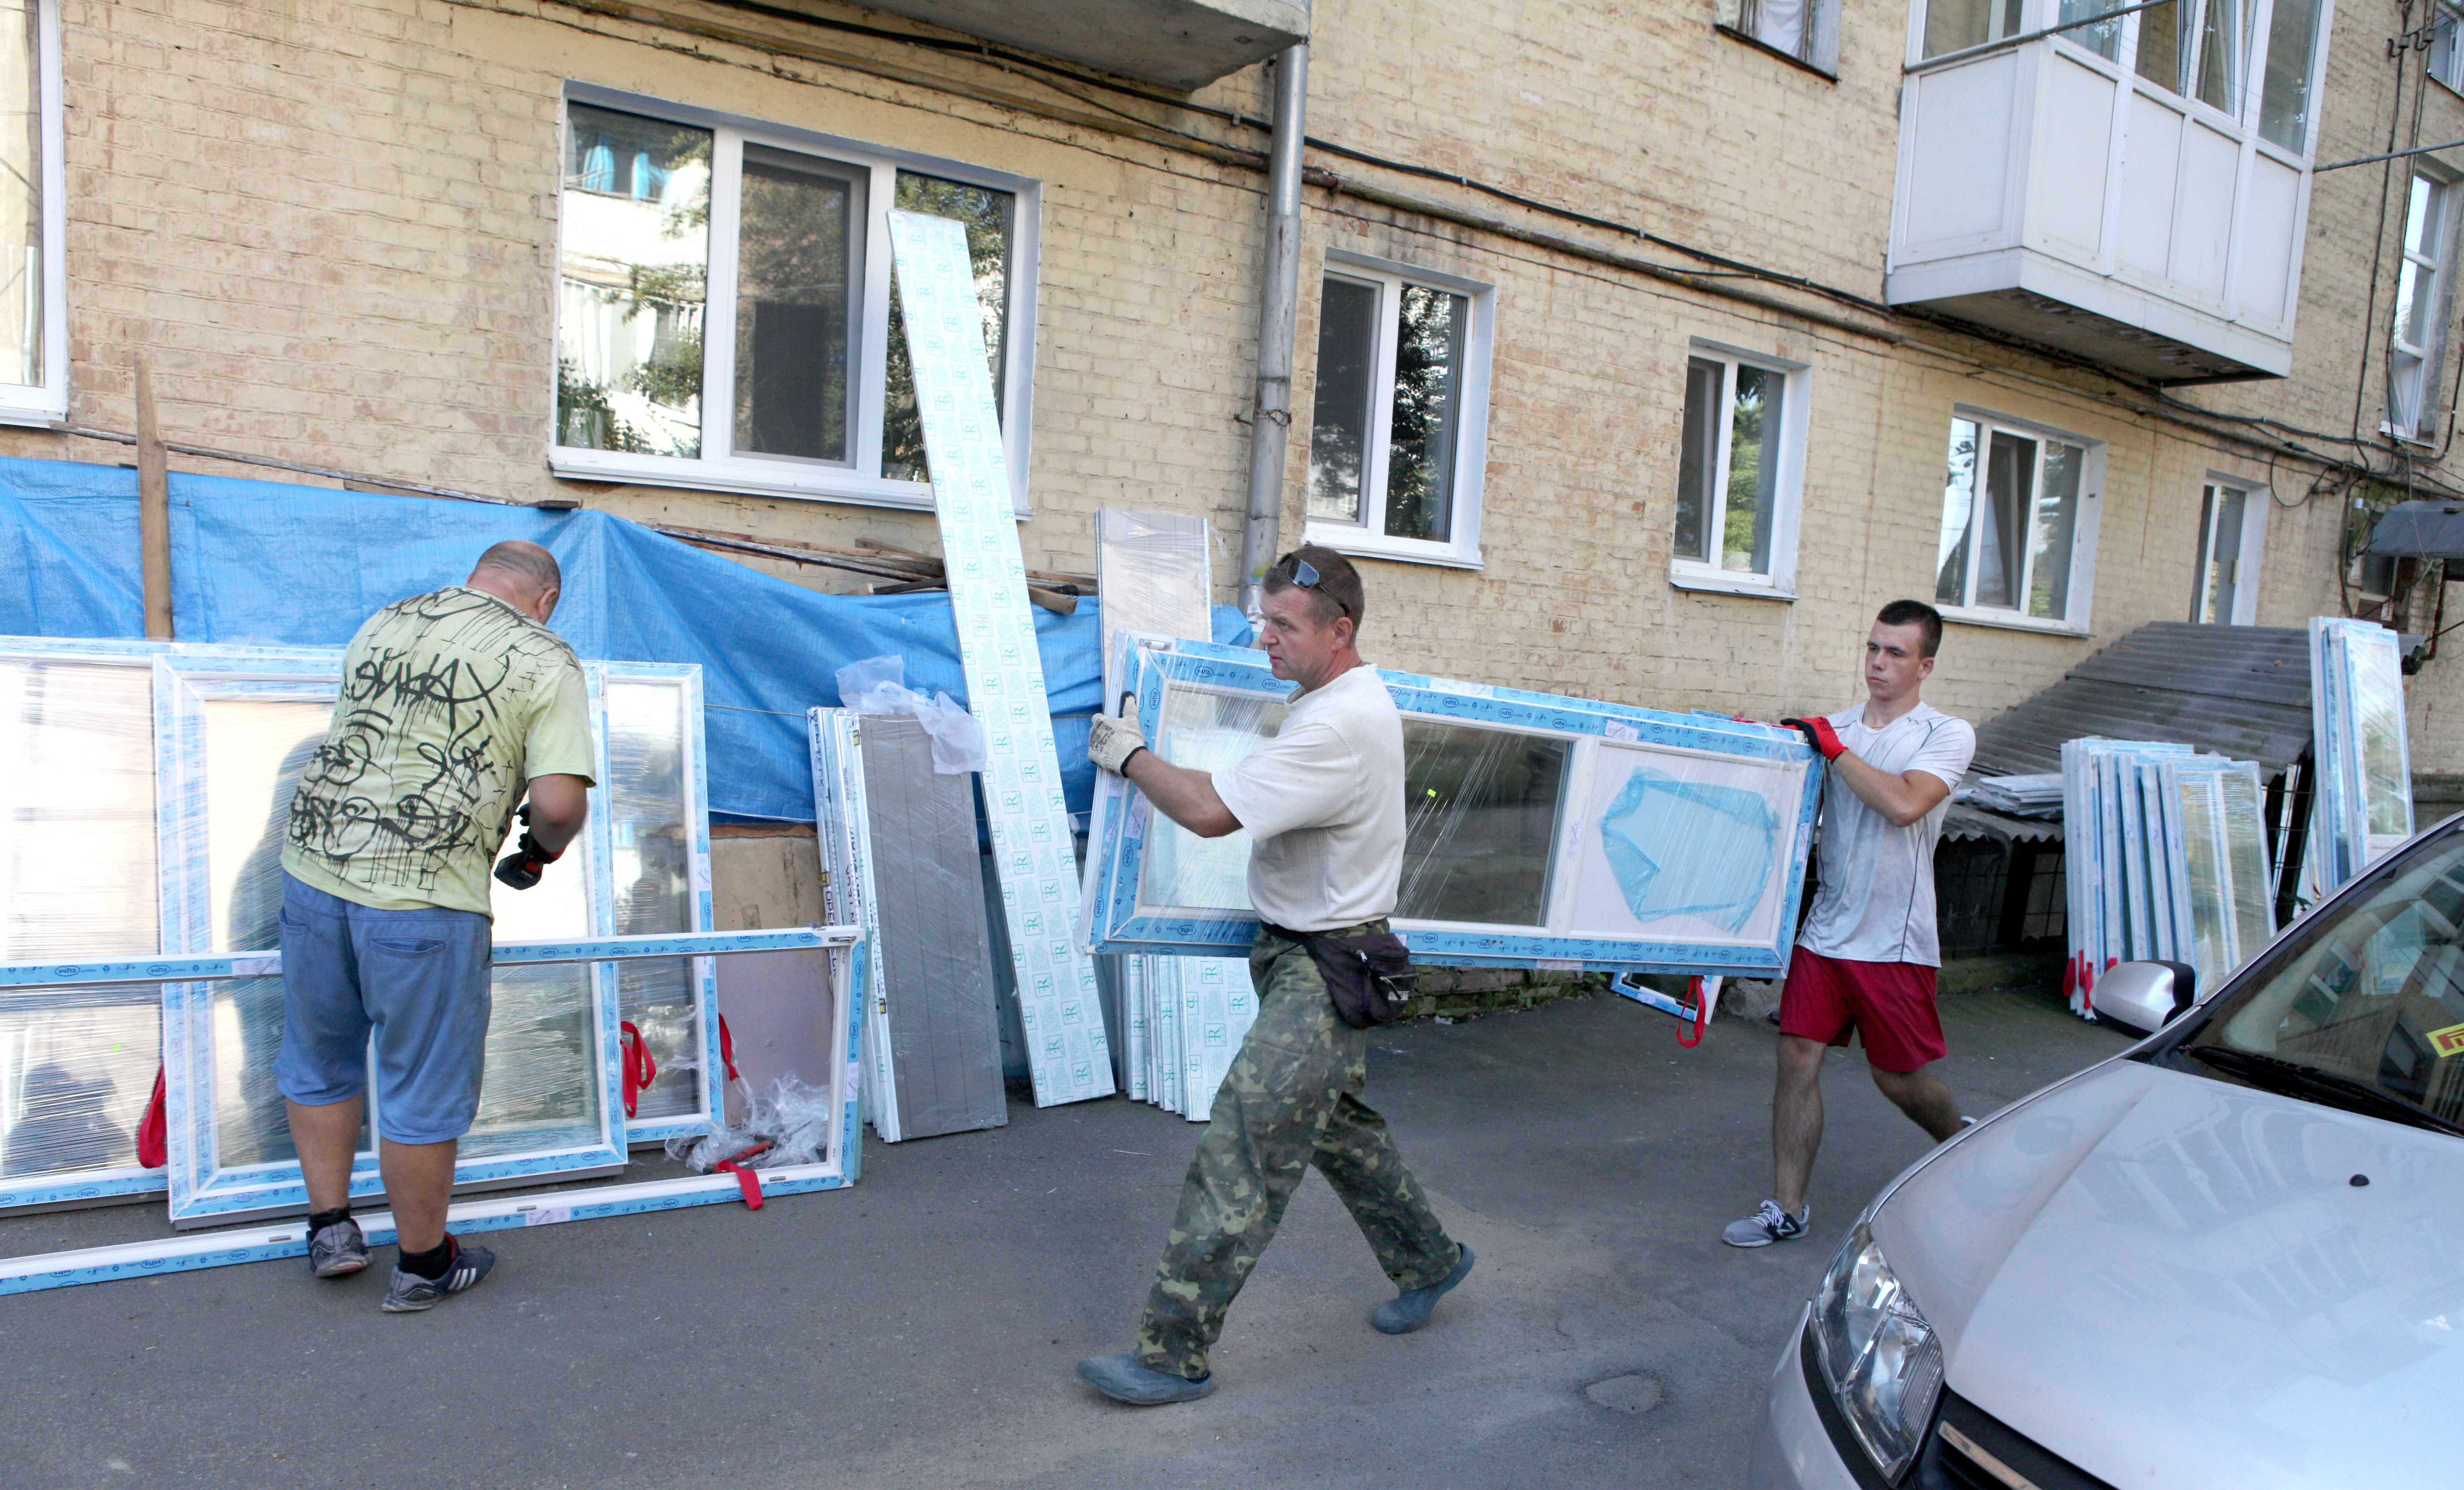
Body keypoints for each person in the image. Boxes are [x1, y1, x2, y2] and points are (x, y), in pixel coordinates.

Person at [1075, 546, 1472, 1404]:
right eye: (1263, 624)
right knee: (1341, 1129)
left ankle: (1170, 1354)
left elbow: (1212, 813)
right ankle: (1432, 1260)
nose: (1266, 642)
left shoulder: (1338, 724)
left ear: (1341, 631)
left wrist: (1131, 755)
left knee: (1243, 1149)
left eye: (1284, 627)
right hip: (1303, 952)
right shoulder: (1325, 700)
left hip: (1326, 974)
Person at [277, 540, 596, 1310]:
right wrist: (539, 853)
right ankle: (423, 1266)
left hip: (315, 872)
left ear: (477, 579)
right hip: (423, 901)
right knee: (421, 1085)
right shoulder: (545, 658)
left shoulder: (387, 620)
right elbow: (556, 805)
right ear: (545, 599)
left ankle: (330, 1230)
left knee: (320, 1058)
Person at [1723, 598, 1977, 1249]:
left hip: (1894, 941)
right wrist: (1754, 747)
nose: (1879, 663)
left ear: (1925, 665)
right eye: (1872, 648)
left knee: (1898, 1079)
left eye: (1895, 653)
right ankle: (1787, 1207)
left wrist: (1832, 751)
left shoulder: (1945, 735)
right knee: (1796, 1057)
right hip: (1826, 930)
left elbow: (1904, 804)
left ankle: (1966, 1143)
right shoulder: (1830, 728)